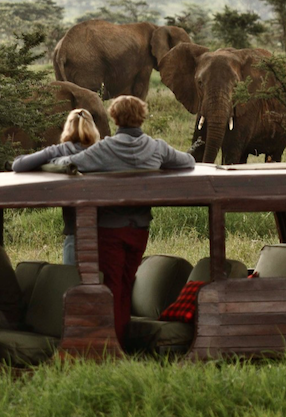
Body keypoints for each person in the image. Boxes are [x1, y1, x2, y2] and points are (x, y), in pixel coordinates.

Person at [50, 95, 195, 341]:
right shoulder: (156, 147)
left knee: (111, 287)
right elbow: (188, 161)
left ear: (114, 118)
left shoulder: (105, 148)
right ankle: (124, 339)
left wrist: (60, 156)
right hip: (139, 229)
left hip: (110, 229)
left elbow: (69, 163)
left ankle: (110, 343)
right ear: (142, 117)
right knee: (127, 283)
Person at [10, 108, 102, 265]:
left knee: (72, 281)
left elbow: (18, 165)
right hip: (105, 231)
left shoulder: (61, 151)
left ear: (67, 128)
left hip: (75, 231)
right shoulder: (102, 152)